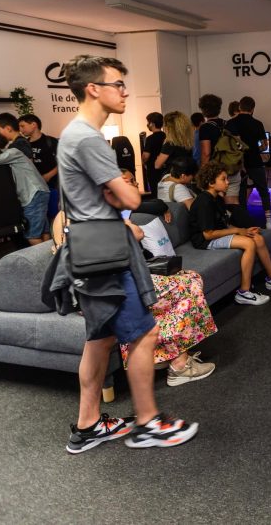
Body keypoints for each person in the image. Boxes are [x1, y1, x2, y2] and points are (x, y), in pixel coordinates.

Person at [45, 54, 197, 453]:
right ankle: (148, 423)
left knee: (101, 338)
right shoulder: (87, 138)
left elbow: (114, 194)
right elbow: (132, 194)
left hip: (94, 248)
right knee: (145, 333)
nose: (125, 91)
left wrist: (110, 193)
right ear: (93, 88)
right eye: (117, 84)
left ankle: (87, 425)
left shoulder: (75, 135)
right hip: (104, 254)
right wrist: (117, 193)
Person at [51, 202, 217, 388]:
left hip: (93, 291)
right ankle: (179, 364)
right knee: (189, 283)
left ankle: (166, 356)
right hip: (111, 289)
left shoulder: (64, 217)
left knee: (182, 283)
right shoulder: (94, 214)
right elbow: (136, 234)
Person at [189, 160, 271, 306]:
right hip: (205, 241)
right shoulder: (204, 202)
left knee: (256, 237)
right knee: (249, 243)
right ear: (211, 182)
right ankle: (244, 292)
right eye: (223, 179)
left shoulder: (216, 198)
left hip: (215, 235)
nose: (227, 182)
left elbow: (224, 224)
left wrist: (244, 230)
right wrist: (238, 231)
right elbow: (208, 234)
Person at [0, 130, 51, 245]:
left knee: (32, 235)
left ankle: (45, 262)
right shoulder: (6, 156)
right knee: (43, 231)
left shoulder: (13, 152)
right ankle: (54, 259)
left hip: (34, 193)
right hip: (37, 193)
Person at [228, 96, 271, 230]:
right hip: (255, 161)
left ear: (240, 107)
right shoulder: (258, 123)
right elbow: (265, 145)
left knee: (241, 193)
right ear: (253, 109)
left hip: (238, 164)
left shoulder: (231, 123)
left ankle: (243, 221)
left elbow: (233, 145)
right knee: (263, 191)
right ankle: (268, 221)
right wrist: (255, 149)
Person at [18, 114, 59, 220]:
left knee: (54, 217)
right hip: (33, 190)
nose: (21, 130)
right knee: (39, 219)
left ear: (33, 125)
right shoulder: (23, 144)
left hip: (52, 186)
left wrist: (48, 176)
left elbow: (63, 162)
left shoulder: (51, 141)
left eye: (23, 126)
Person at [153, 111, 194, 178]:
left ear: (169, 128)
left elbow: (157, 165)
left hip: (173, 179)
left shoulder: (170, 143)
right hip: (186, 177)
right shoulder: (187, 142)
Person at [142, 112, 166, 192]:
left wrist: (143, 162)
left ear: (152, 123)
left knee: (155, 192)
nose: (148, 124)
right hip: (165, 170)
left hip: (153, 171)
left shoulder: (150, 139)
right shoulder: (166, 136)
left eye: (148, 122)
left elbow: (145, 156)